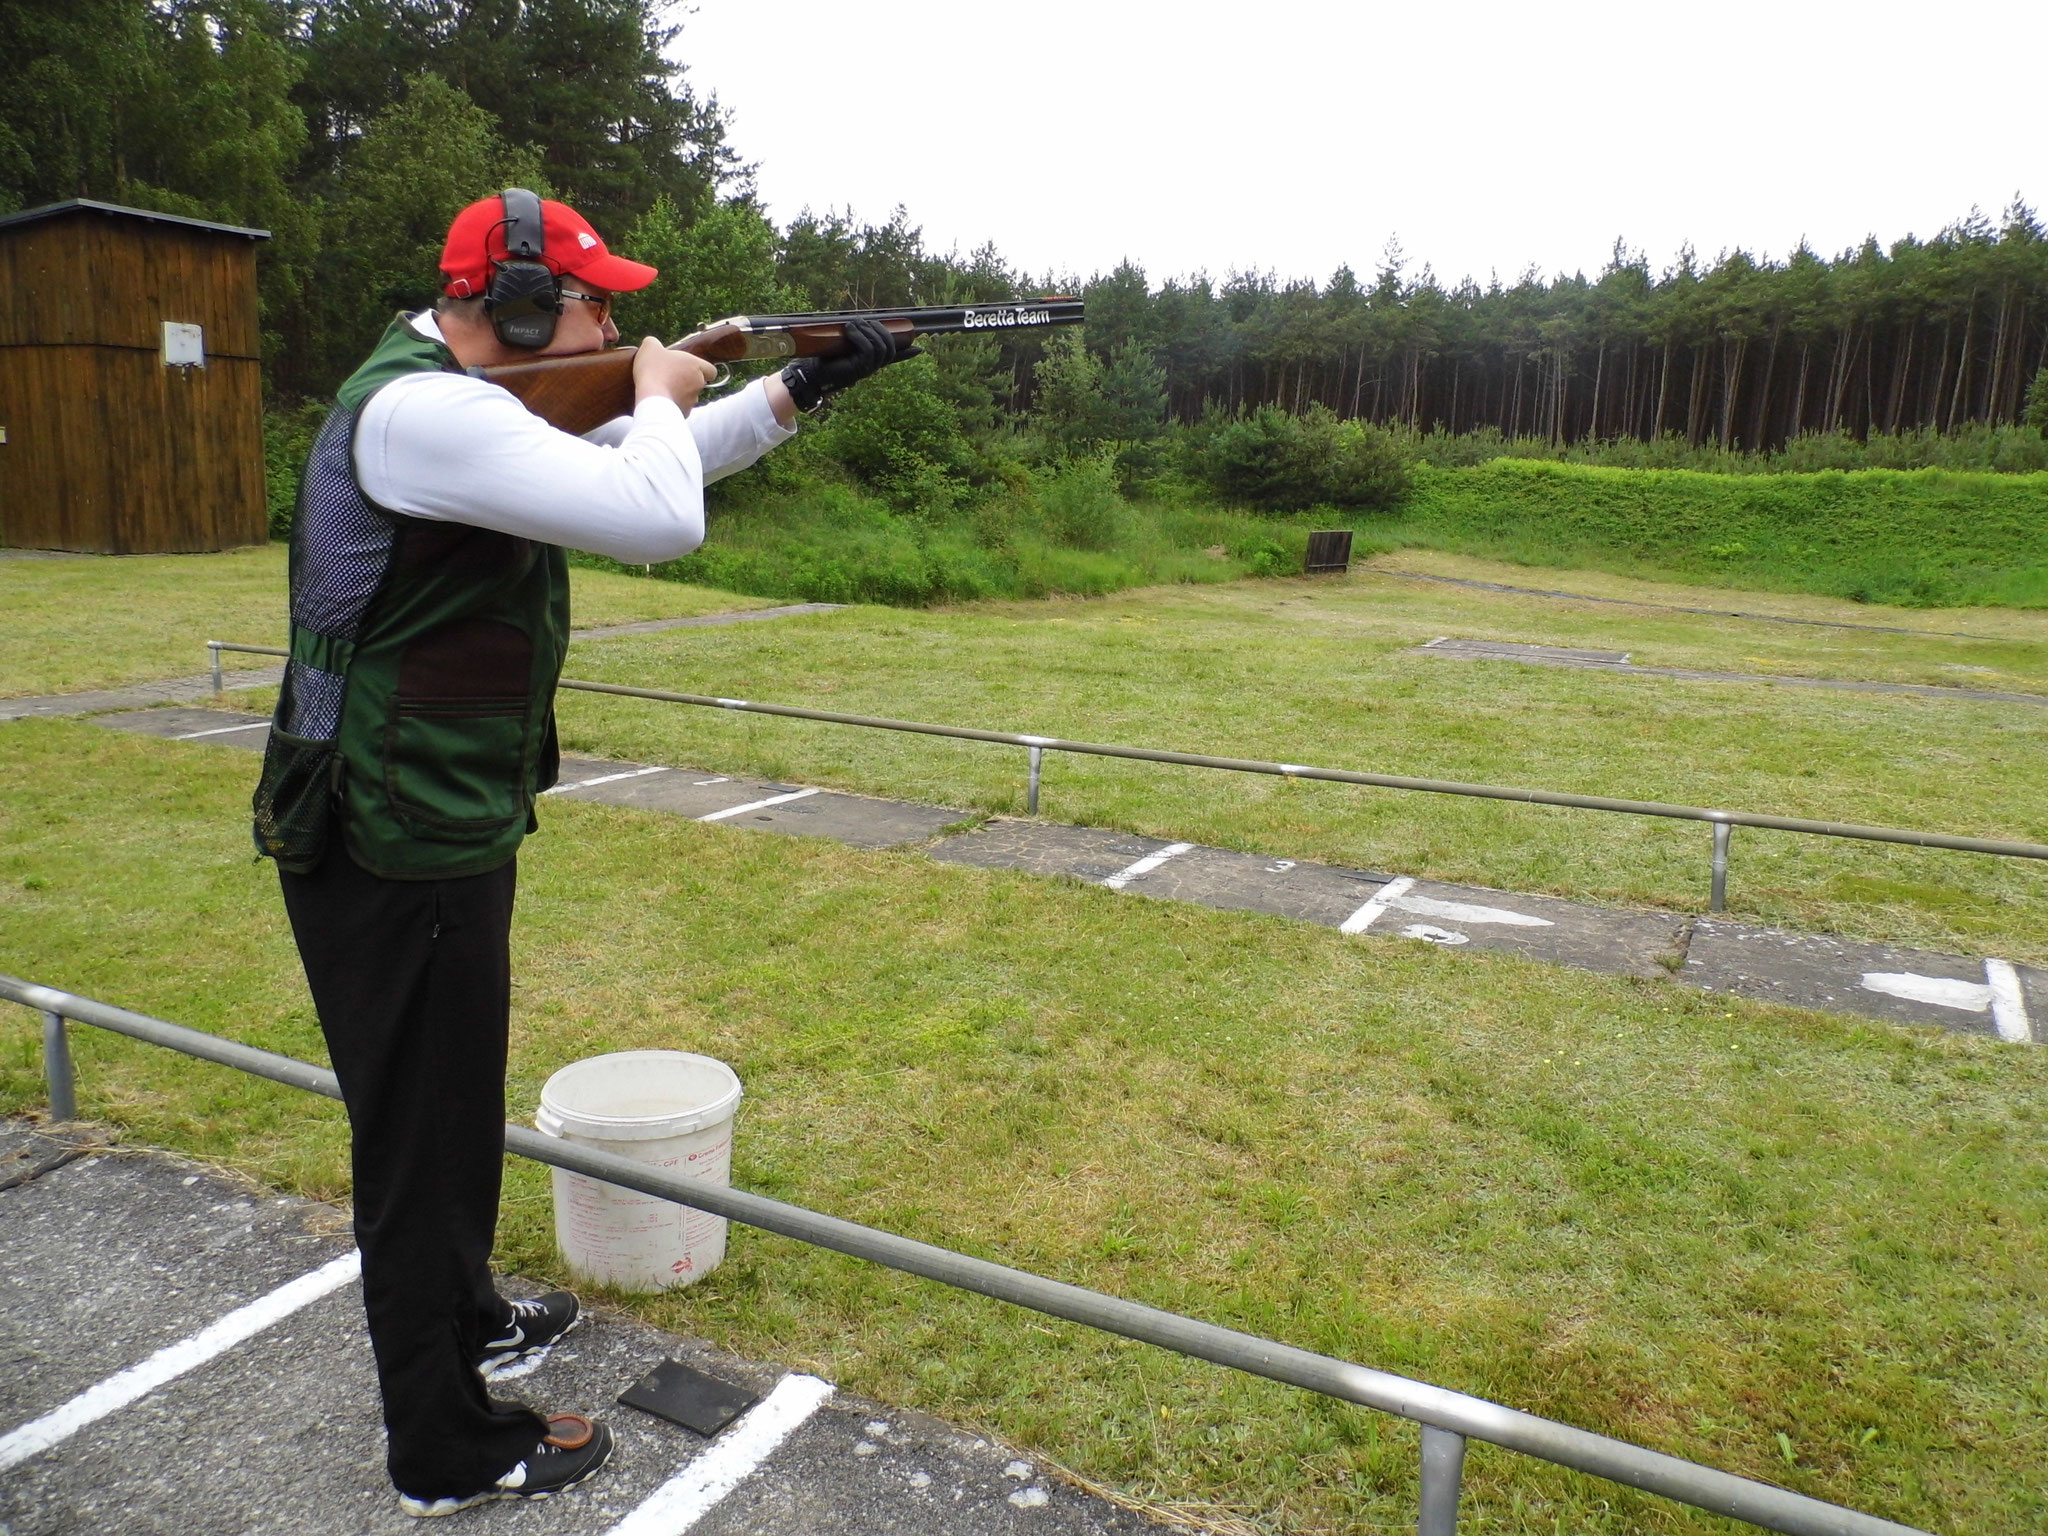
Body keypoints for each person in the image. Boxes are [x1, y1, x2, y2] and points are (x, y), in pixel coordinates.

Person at [251, 189, 907, 1517]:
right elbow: (656, 511)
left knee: (450, 1102)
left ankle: (470, 1313)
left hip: (424, 808)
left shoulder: (464, 403)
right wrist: (663, 387)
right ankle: (443, 1447)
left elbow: (643, 464)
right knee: (420, 1139)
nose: (618, 322)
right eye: (600, 301)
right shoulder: (427, 413)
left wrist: (794, 390)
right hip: (391, 825)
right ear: (525, 308)